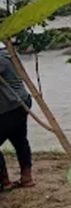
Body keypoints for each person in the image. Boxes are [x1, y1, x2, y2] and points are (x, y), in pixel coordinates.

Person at [0, 46, 33, 190]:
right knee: (20, 140)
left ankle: (4, 182)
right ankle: (27, 178)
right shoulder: (8, 53)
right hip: (21, 102)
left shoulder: (1, 59)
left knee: (19, 140)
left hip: (9, 107)